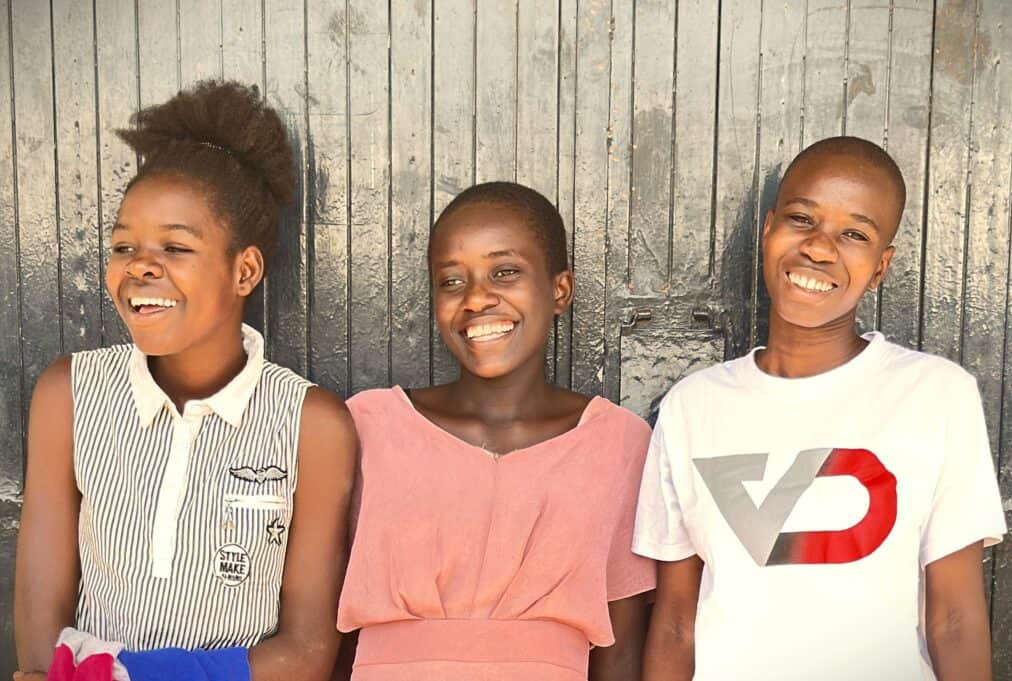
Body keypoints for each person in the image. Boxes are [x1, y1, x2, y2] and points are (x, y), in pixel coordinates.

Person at [14, 80, 357, 681]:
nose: (140, 265)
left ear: (244, 269)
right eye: (124, 245)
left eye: (175, 246)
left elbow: (307, 654)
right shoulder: (69, 394)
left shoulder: (311, 424)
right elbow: (42, 632)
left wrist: (137, 677)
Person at [634, 136, 1007, 681]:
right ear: (767, 230)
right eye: (801, 219)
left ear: (880, 267)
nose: (819, 247)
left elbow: (954, 619)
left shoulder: (935, 395)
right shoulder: (694, 406)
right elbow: (674, 626)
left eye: (854, 233)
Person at [336, 182, 656, 681]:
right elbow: (329, 636)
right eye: (451, 281)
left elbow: (622, 650)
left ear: (559, 290)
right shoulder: (368, 427)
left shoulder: (619, 444)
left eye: (504, 272)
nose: (477, 299)